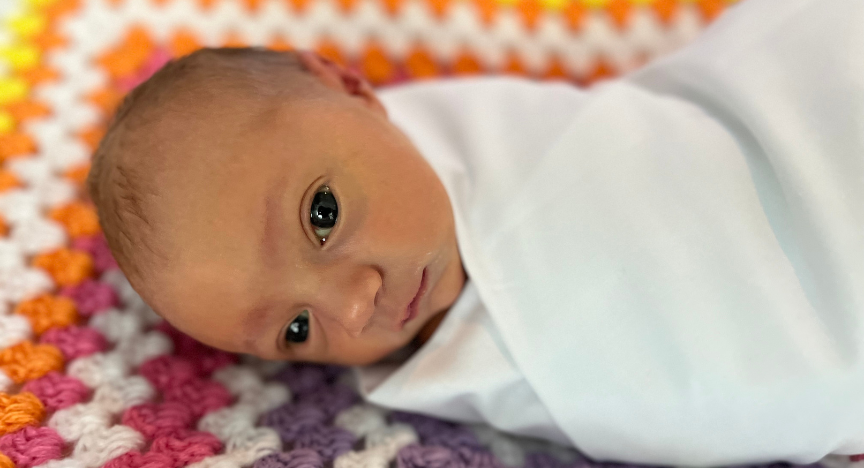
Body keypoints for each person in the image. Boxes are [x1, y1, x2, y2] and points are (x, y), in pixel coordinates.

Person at [86, 0, 864, 464]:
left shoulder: (526, 149)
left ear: (349, 88)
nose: (354, 310)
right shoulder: (452, 376)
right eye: (296, 328)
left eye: (322, 216)